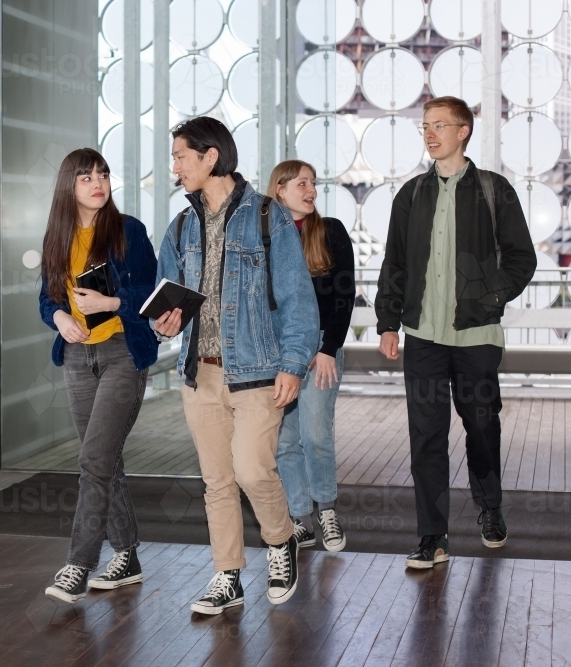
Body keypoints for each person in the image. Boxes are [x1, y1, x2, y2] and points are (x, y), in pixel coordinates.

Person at [153, 117, 320, 614]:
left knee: (252, 468)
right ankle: (227, 575)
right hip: (198, 373)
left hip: (257, 371)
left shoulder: (268, 217)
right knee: (217, 481)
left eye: (181, 155)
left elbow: (298, 301)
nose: (175, 166)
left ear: (210, 157)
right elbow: (165, 295)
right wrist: (163, 321)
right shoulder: (181, 225)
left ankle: (280, 538)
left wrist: (293, 364)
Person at [374, 96, 537, 569]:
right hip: (423, 335)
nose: (429, 133)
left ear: (463, 131)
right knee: (426, 435)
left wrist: (490, 296)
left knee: (482, 425)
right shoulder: (411, 195)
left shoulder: (494, 190)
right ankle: (433, 535)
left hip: (477, 335)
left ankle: (489, 508)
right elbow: (395, 263)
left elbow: (522, 258)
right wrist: (388, 322)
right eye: (424, 125)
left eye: (439, 125)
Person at [38, 148, 159, 602]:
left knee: (93, 460)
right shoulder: (58, 235)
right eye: (86, 176)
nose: (97, 183)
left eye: (103, 174)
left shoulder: (128, 230)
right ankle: (126, 555)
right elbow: (47, 298)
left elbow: (149, 291)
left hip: (121, 354)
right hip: (76, 358)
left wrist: (108, 304)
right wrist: (59, 319)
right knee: (104, 459)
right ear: (69, 185)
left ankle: (78, 563)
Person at [267, 160, 355, 553]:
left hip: (320, 348)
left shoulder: (330, 231)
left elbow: (344, 294)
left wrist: (327, 349)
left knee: (316, 434)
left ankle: (326, 510)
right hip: (278, 350)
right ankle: (299, 518)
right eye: (302, 183)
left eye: (314, 183)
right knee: (285, 440)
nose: (312, 190)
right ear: (280, 190)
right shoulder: (266, 236)